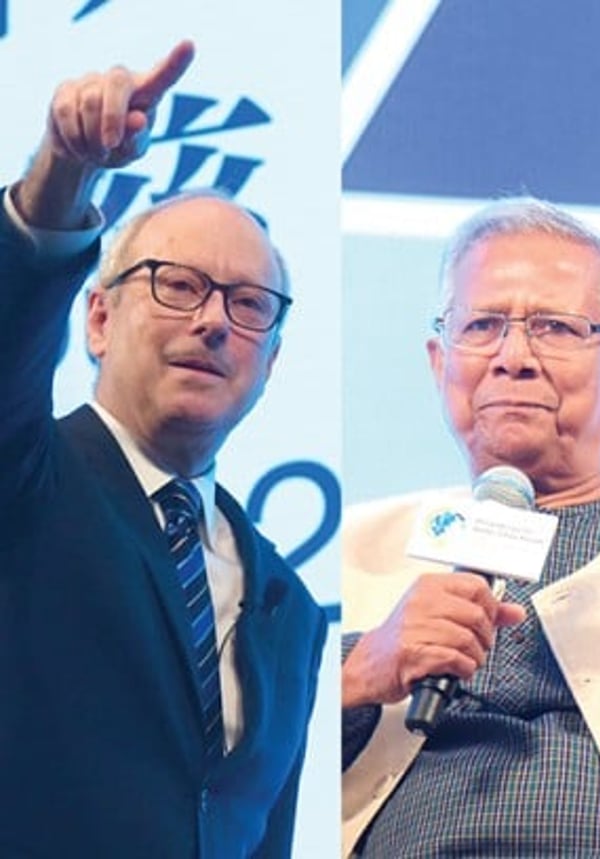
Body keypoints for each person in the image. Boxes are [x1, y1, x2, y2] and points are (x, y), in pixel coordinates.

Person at [0, 43, 326, 857]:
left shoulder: (291, 607)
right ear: (98, 320)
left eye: (249, 303)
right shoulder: (25, 475)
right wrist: (62, 177)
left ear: (272, 361)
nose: (214, 320)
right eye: (176, 285)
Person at [340, 199, 600, 857]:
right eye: (484, 324)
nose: (513, 356)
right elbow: (228, 746)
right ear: (440, 363)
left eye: (554, 326)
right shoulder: (350, 547)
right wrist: (359, 670)